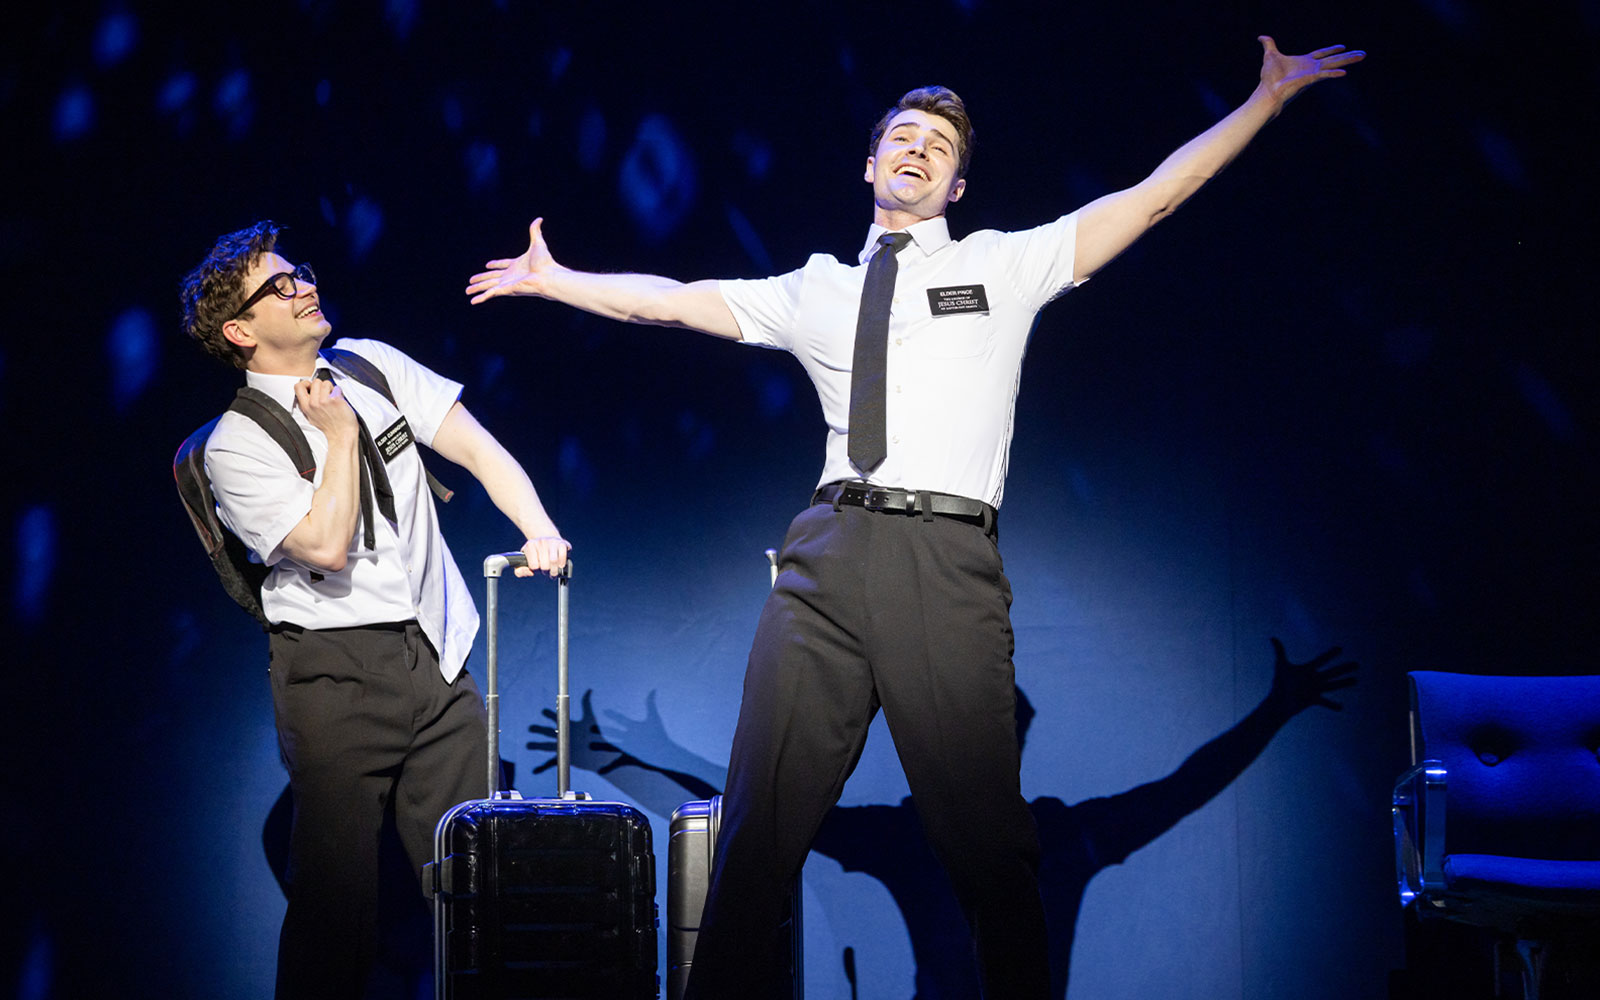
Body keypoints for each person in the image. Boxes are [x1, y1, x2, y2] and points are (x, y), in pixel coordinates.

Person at [465, 36, 1363, 999]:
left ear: (957, 187)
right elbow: (677, 304)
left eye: (940, 145)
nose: (920, 149)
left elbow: (1151, 196)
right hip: (823, 558)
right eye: (904, 134)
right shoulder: (818, 287)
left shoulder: (1005, 268)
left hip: (946, 558)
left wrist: (1264, 102)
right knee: (755, 834)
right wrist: (557, 280)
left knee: (987, 847)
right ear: (870, 163)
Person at [179, 220, 570, 999]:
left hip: (437, 655)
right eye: (280, 285)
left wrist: (540, 528)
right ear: (240, 330)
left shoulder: (372, 364)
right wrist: (340, 437)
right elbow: (323, 545)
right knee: (337, 909)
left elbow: (478, 449)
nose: (305, 287)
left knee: (473, 884)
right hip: (333, 678)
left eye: (303, 273)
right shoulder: (233, 445)